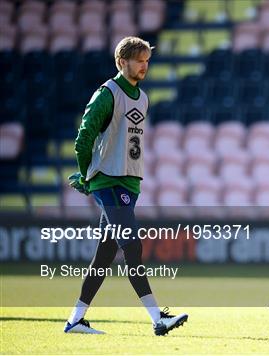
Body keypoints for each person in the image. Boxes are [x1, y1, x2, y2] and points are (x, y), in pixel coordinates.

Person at [64, 36, 187, 336]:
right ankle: (158, 318)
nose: (144, 65)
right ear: (122, 62)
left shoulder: (142, 98)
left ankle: (75, 321)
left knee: (104, 256)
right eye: (139, 60)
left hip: (128, 184)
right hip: (108, 181)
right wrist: (86, 176)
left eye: (147, 60)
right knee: (132, 246)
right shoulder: (107, 94)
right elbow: (84, 139)